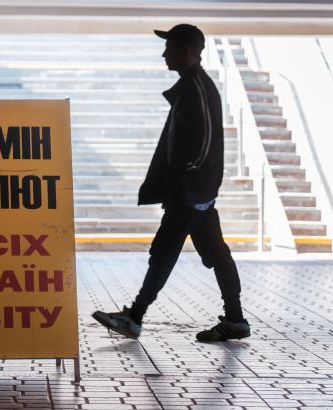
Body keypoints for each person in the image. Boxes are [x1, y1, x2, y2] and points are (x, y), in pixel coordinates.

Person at [92, 24, 250, 342]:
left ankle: (134, 317)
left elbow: (207, 139)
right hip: (193, 191)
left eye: (170, 48)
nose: (164, 54)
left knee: (164, 252)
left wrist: (190, 177)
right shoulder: (192, 85)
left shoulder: (198, 88)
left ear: (187, 51)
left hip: (191, 192)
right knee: (217, 254)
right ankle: (235, 320)